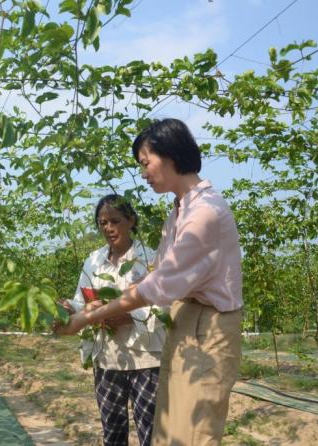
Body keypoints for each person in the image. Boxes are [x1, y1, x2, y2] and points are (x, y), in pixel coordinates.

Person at [55, 118, 243, 446]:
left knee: (193, 435)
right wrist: (80, 309)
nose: (143, 173)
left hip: (204, 327)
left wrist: (85, 318)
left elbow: (158, 287)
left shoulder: (203, 214)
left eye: (146, 162)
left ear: (169, 155)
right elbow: (156, 278)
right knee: (169, 434)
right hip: (183, 323)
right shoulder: (181, 210)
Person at [60, 194, 165, 446]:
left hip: (146, 360)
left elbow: (166, 306)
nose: (108, 228)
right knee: (113, 433)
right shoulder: (94, 261)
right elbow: (81, 301)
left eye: (115, 221)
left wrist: (129, 315)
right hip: (107, 358)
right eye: (102, 223)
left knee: (151, 433)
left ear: (131, 221)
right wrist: (70, 308)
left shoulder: (150, 259)